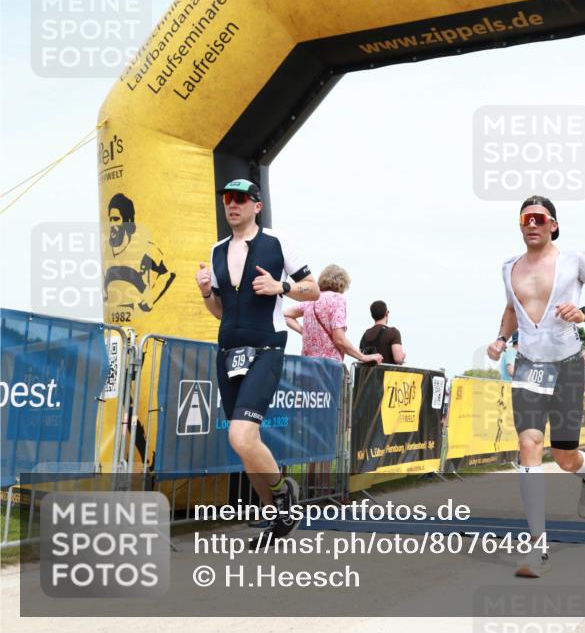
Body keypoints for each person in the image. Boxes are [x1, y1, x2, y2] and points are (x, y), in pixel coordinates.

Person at [485, 195, 585, 578]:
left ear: (553, 224)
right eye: (525, 218)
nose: (532, 223)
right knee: (529, 442)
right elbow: (511, 310)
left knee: (565, 457)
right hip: (529, 365)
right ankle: (537, 547)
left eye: (539, 218)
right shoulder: (508, 267)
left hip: (566, 366)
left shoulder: (575, 259)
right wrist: (500, 339)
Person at [195, 178, 319, 543]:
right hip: (229, 351)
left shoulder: (278, 242)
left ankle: (284, 492)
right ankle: (276, 518)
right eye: (227, 199)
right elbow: (219, 311)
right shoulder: (217, 250)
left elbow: (312, 289)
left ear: (256, 205)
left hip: (266, 348)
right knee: (242, 443)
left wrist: (281, 287)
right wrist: (205, 293)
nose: (231, 205)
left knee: (241, 433)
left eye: (239, 199)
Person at [284, 264, 382, 364]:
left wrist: (305, 331)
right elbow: (339, 340)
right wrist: (363, 357)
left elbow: (286, 315)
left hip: (306, 365)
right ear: (343, 283)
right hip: (328, 367)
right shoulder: (337, 299)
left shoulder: (311, 300)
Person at [104, 192, 175, 319]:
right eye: (110, 219)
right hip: (117, 331)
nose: (112, 225)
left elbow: (169, 273)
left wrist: (151, 297)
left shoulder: (144, 249)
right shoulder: (107, 253)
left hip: (145, 329)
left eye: (116, 219)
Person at [359, 300, 405, 365]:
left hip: (367, 374)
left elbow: (360, 357)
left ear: (372, 315)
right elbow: (398, 359)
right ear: (386, 313)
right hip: (387, 374)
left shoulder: (366, 334)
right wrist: (403, 356)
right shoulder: (393, 332)